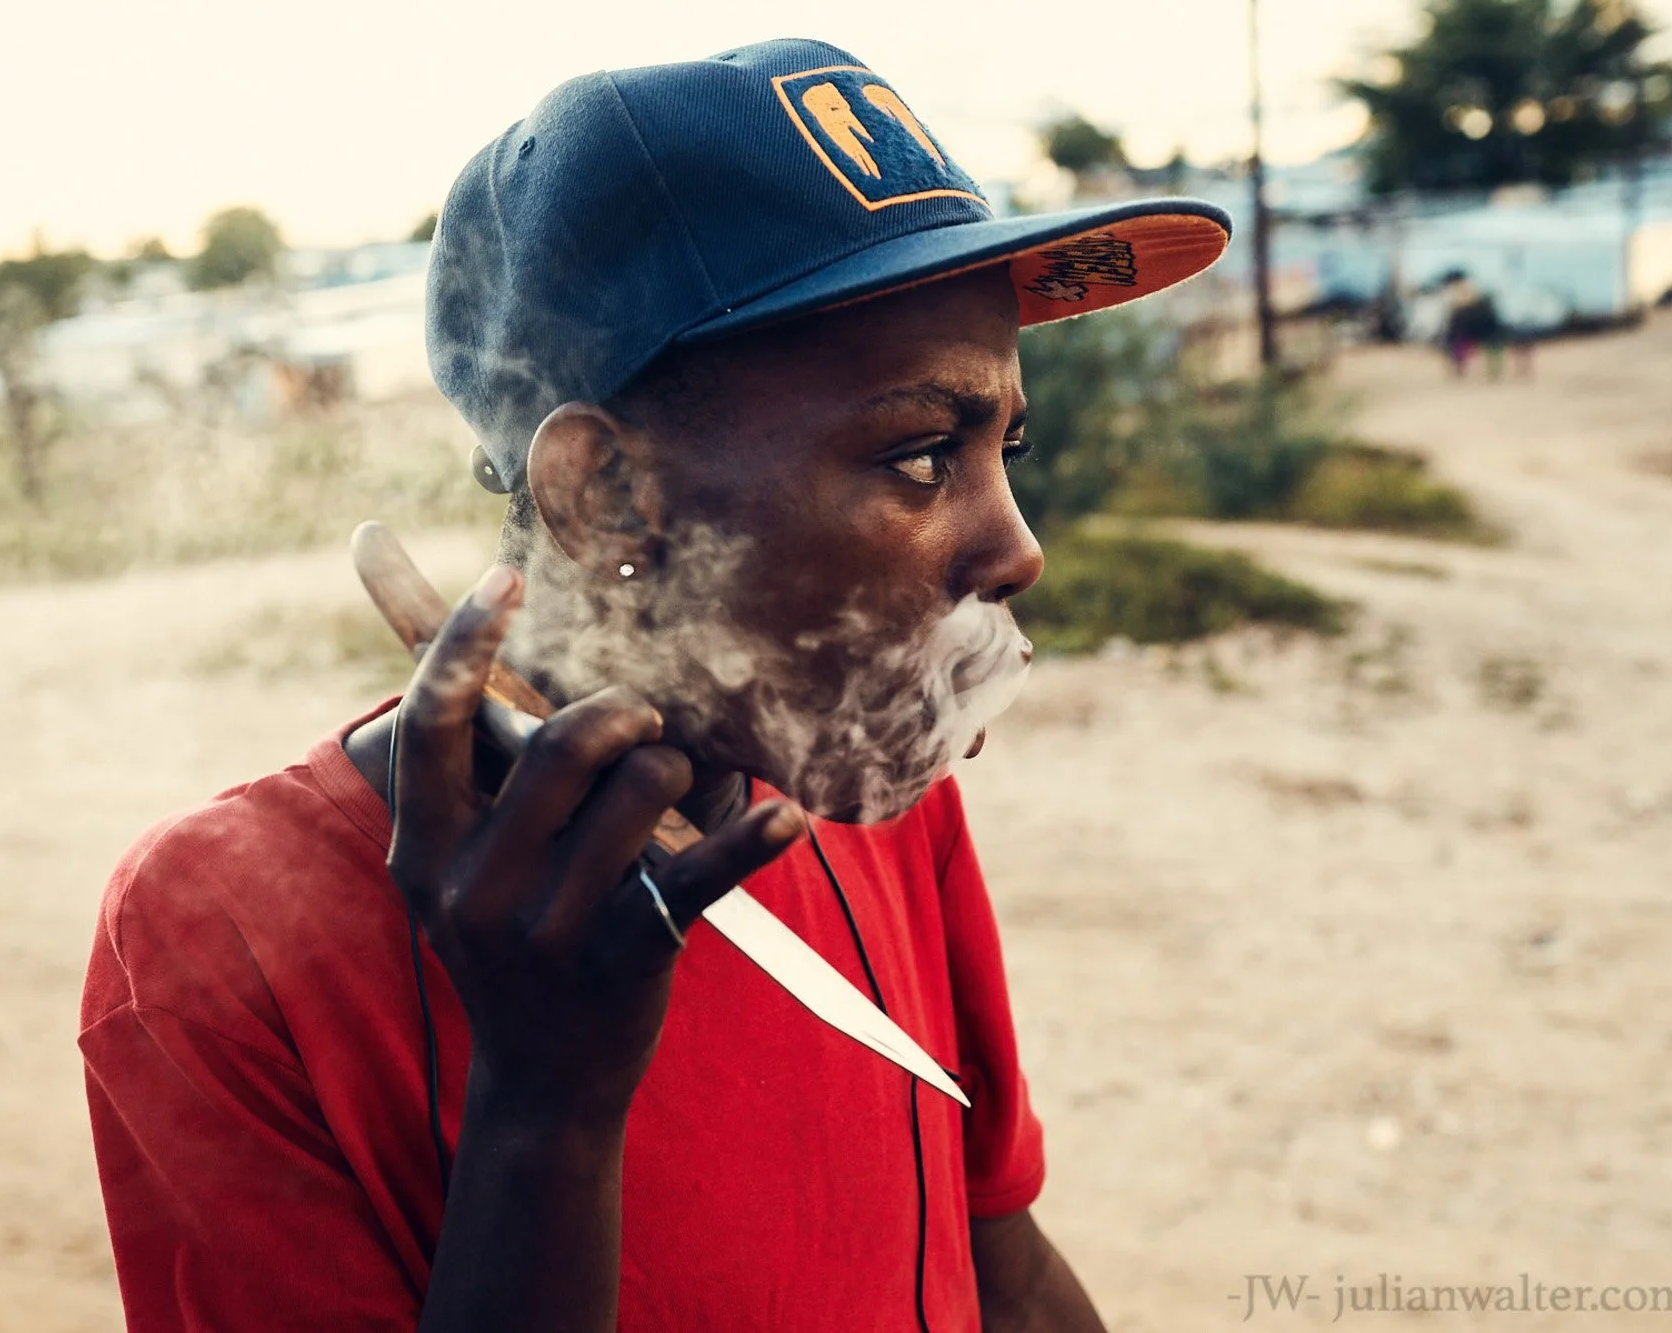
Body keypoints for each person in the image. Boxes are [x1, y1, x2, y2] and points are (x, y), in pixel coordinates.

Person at [80, 38, 1230, 1332]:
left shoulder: (864, 794)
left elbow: (999, 1262)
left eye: (1004, 445)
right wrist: (549, 1100)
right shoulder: (216, 932)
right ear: (607, 492)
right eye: (919, 456)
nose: (1018, 546)